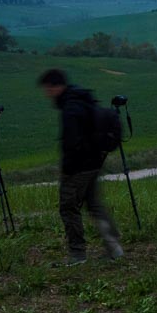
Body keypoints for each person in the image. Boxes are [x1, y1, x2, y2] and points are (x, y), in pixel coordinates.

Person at [37, 69, 123, 266]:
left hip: (79, 166)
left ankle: (77, 254)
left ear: (56, 86)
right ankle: (114, 246)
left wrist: (66, 168)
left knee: (68, 208)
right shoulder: (83, 99)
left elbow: (72, 143)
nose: (46, 93)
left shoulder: (71, 108)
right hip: (95, 161)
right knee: (93, 204)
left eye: (48, 89)